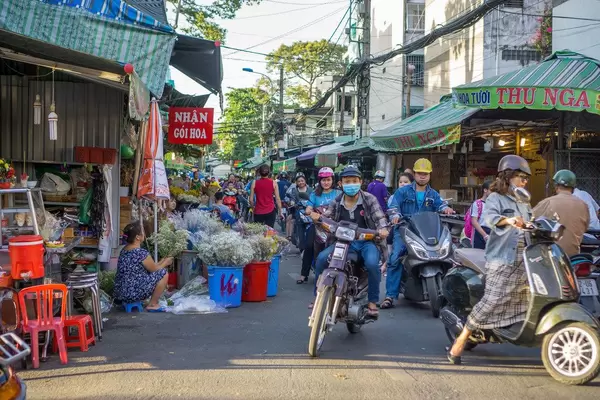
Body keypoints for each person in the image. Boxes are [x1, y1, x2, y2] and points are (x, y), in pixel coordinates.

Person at [448, 155, 533, 364]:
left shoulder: (524, 201)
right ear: (508, 177)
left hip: (524, 258)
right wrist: (509, 220)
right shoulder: (495, 198)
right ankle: (461, 339)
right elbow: (490, 219)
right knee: (493, 299)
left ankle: (504, 330)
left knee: (528, 296)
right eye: (520, 177)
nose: (524, 182)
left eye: (526, 178)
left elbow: (530, 220)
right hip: (501, 257)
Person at [313, 166, 389, 317]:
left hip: (367, 242)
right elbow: (327, 216)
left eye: (354, 181)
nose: (351, 184)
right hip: (342, 242)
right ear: (340, 184)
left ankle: (372, 302)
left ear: (360, 182)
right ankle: (317, 296)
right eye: (347, 181)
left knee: (373, 264)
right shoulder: (337, 200)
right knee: (321, 259)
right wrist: (318, 219)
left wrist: (383, 230)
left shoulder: (369, 199)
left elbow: (380, 218)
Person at [381, 158, 455, 309]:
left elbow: (441, 204)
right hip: (405, 230)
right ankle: (390, 296)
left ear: (429, 175)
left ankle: (449, 292)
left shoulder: (433, 194)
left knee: (449, 256)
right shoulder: (402, 192)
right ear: (414, 174)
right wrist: (395, 215)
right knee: (395, 257)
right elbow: (393, 206)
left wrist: (446, 209)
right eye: (420, 173)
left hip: (426, 231)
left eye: (426, 174)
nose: (422, 176)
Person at [114, 222, 174, 312]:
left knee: (159, 271)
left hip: (121, 292)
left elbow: (152, 267)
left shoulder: (124, 250)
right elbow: (154, 269)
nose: (144, 233)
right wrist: (165, 263)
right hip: (132, 293)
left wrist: (163, 260)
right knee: (163, 273)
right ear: (138, 237)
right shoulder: (141, 253)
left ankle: (149, 302)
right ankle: (153, 304)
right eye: (142, 232)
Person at [533, 170, 589, 257]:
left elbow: (530, 221)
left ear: (556, 185)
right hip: (574, 256)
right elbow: (585, 228)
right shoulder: (583, 205)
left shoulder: (548, 202)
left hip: (552, 257)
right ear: (573, 187)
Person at [297, 167, 339, 284]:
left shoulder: (339, 193)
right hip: (317, 225)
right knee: (309, 245)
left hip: (334, 227)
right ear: (319, 181)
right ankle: (303, 274)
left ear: (332, 180)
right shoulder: (315, 194)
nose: (326, 182)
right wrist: (309, 211)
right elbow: (309, 207)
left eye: (328, 180)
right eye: (323, 180)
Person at [285, 173, 313, 241]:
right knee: (291, 220)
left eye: (302, 180)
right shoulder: (294, 190)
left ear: (305, 181)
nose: (301, 182)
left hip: (308, 210)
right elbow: (293, 198)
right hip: (298, 210)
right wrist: (292, 202)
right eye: (299, 181)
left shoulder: (310, 190)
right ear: (296, 182)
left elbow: (313, 199)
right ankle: (291, 236)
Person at [466, 181, 491, 250]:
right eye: (492, 190)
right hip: (479, 232)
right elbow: (474, 222)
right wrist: (485, 235)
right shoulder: (477, 204)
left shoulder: (495, 204)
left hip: (492, 232)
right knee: (477, 256)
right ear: (485, 190)